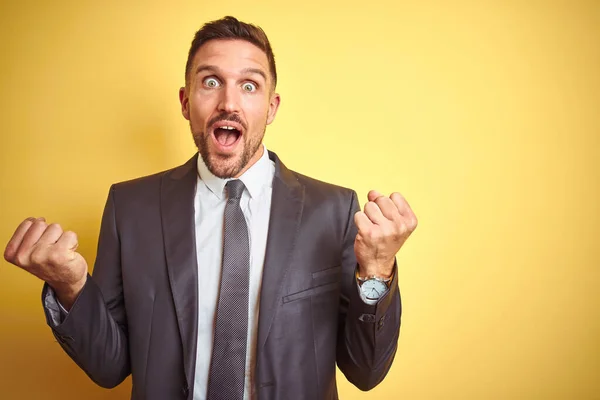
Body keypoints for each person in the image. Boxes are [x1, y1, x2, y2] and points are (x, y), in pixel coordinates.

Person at [3, 16, 418, 400]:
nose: (228, 104)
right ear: (185, 103)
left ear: (271, 108)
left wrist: (377, 271)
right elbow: (110, 367)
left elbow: (366, 372)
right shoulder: (130, 208)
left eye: (250, 85)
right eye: (210, 82)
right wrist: (72, 289)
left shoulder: (333, 210)